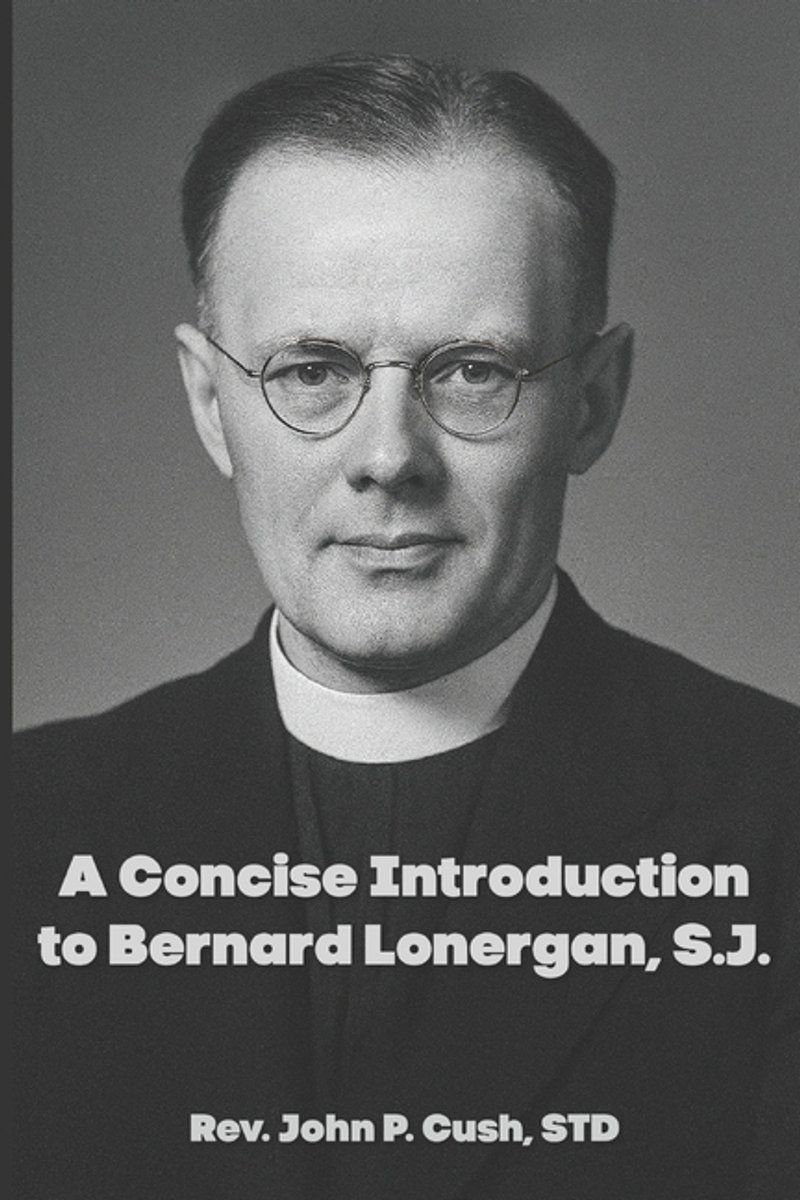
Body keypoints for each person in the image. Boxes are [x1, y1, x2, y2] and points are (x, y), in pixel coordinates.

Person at [13, 53, 798, 1199]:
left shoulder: (779, 828)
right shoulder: (24, 834)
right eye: (311, 371)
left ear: (590, 402)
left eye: (472, 372)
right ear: (210, 403)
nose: (387, 458)